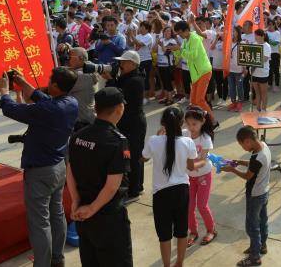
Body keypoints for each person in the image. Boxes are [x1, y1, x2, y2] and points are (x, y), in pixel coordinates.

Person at [0, 68, 79, 267]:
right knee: (57, 214)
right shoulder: (71, 103)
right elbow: (43, 99)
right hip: (58, 166)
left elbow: (11, 110)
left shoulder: (48, 110)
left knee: (40, 222)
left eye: (51, 81)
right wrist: (24, 83)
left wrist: (4, 92)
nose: (47, 83)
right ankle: (57, 259)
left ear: (57, 87)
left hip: (40, 171)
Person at [66, 87, 133, 266]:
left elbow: (70, 170)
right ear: (120, 108)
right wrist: (92, 208)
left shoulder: (78, 136)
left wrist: (75, 201)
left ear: (96, 108)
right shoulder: (117, 141)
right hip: (108, 216)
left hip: (83, 215)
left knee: (90, 260)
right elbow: (112, 185)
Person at [142, 106, 198, 267]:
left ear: (162, 123)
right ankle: (179, 263)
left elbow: (143, 158)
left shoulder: (154, 140)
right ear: (182, 123)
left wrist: (159, 136)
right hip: (181, 190)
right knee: (181, 231)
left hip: (161, 194)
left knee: (164, 234)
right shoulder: (187, 142)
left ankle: (166, 265)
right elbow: (191, 167)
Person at [224, 126, 272, 267]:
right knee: (263, 221)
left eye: (242, 145)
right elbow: (254, 165)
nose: (243, 148)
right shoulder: (263, 146)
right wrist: (239, 162)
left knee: (252, 226)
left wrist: (233, 169)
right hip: (264, 191)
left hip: (255, 195)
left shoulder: (258, 158)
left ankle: (255, 257)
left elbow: (247, 175)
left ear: (248, 141)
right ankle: (262, 246)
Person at [106, 50, 147, 201]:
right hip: (128, 123)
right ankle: (137, 186)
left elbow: (116, 96)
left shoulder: (135, 80)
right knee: (131, 156)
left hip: (133, 124)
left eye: (123, 62)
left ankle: (134, 191)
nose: (120, 65)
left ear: (132, 64)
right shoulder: (128, 77)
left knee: (133, 157)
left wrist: (110, 80)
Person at [184, 106, 217, 248]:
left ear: (202, 122)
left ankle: (211, 230)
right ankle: (193, 231)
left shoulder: (205, 138)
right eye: (188, 123)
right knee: (189, 206)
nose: (191, 127)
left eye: (194, 124)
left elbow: (203, 160)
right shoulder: (184, 134)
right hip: (189, 177)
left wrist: (192, 165)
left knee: (202, 205)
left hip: (203, 176)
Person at [174, 19, 215, 123]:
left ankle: (213, 121)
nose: (179, 35)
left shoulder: (195, 38)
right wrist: (174, 51)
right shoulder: (185, 41)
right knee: (193, 102)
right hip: (196, 74)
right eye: (178, 33)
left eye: (180, 33)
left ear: (186, 30)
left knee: (199, 100)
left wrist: (180, 49)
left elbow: (192, 55)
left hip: (204, 71)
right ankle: (197, 121)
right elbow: (180, 55)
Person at [250, 29, 272, 112]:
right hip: (254, 73)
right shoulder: (254, 44)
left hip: (263, 73)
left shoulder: (267, 46)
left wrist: (255, 61)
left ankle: (264, 109)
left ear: (262, 36)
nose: (255, 37)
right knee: (257, 92)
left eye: (257, 35)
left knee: (264, 93)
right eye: (255, 35)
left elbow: (265, 59)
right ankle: (258, 108)